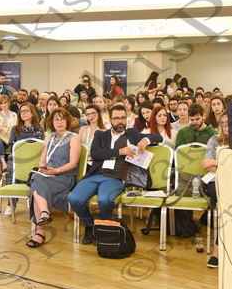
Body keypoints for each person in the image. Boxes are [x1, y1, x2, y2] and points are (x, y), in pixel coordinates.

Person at [69, 104, 163, 245]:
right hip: (95, 174)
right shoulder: (101, 135)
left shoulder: (132, 134)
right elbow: (95, 153)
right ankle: (91, 226)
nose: (120, 121)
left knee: (105, 200)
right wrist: (120, 151)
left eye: (123, 118)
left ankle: (100, 228)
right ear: (110, 120)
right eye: (116, 118)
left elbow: (158, 137)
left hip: (115, 178)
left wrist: (145, 140)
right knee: (74, 199)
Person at [26, 107, 81, 248]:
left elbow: (73, 163)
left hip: (64, 176)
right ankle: (44, 215)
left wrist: (56, 170)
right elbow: (43, 160)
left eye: (62, 119)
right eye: (56, 119)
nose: (59, 122)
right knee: (37, 178)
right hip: (47, 175)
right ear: (52, 122)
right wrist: (42, 169)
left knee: (36, 184)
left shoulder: (73, 138)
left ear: (67, 121)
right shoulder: (49, 137)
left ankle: (40, 232)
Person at [3, 102, 45, 217]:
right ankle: (11, 204)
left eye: (26, 111)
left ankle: (33, 201)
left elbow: (40, 147)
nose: (23, 113)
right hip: (17, 159)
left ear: (32, 113)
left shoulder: (38, 129)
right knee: (11, 171)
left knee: (36, 171)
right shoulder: (15, 129)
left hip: (33, 160)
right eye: (21, 111)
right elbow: (11, 146)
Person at [201, 112, 229, 269]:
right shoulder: (214, 140)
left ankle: (218, 251)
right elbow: (206, 164)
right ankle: (218, 251)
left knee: (227, 208)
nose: (225, 126)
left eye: (229, 123)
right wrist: (225, 165)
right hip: (215, 181)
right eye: (223, 123)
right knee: (226, 205)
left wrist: (217, 162)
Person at [0, 95, 18, 181]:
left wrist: (3, 128)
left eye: (5, 103)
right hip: (0, 139)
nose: (3, 105)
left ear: (8, 103)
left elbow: (14, 128)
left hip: (11, 139)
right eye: (1, 103)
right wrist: (5, 128)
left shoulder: (14, 115)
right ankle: (3, 163)